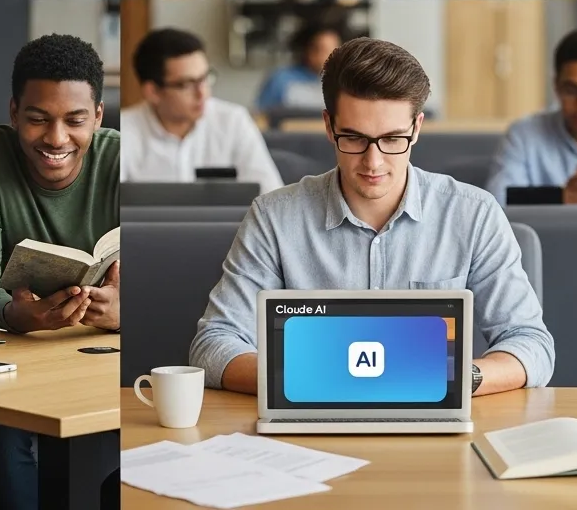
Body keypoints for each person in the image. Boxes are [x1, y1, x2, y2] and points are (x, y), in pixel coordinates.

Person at [190, 36, 554, 397]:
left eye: (393, 139)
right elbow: (213, 344)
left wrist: (453, 380)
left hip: (434, 406)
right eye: (354, 138)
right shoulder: (273, 217)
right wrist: (315, 379)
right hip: (310, 413)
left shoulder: (474, 214)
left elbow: (531, 344)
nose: (373, 162)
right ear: (329, 127)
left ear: (417, 128)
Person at [0, 34, 120, 510]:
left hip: (103, 358)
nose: (57, 139)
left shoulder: (124, 158)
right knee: (1, 434)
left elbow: (172, 283)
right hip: (14, 356)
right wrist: (13, 312)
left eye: (75, 121)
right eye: (38, 119)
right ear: (14, 112)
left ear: (99, 117)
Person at [120, 28, 283, 192]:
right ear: (153, 92)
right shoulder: (123, 131)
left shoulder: (233, 120)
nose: (202, 93)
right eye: (187, 84)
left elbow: (271, 197)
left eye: (204, 78)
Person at [487, 28, 577, 205]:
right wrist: (560, 197)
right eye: (571, 90)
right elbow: (496, 202)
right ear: (556, 86)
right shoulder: (523, 135)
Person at [256, 21, 343, 115]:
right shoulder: (281, 80)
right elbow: (261, 117)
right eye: (323, 50)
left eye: (335, 50)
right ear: (308, 51)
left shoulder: (344, 82)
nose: (330, 56)